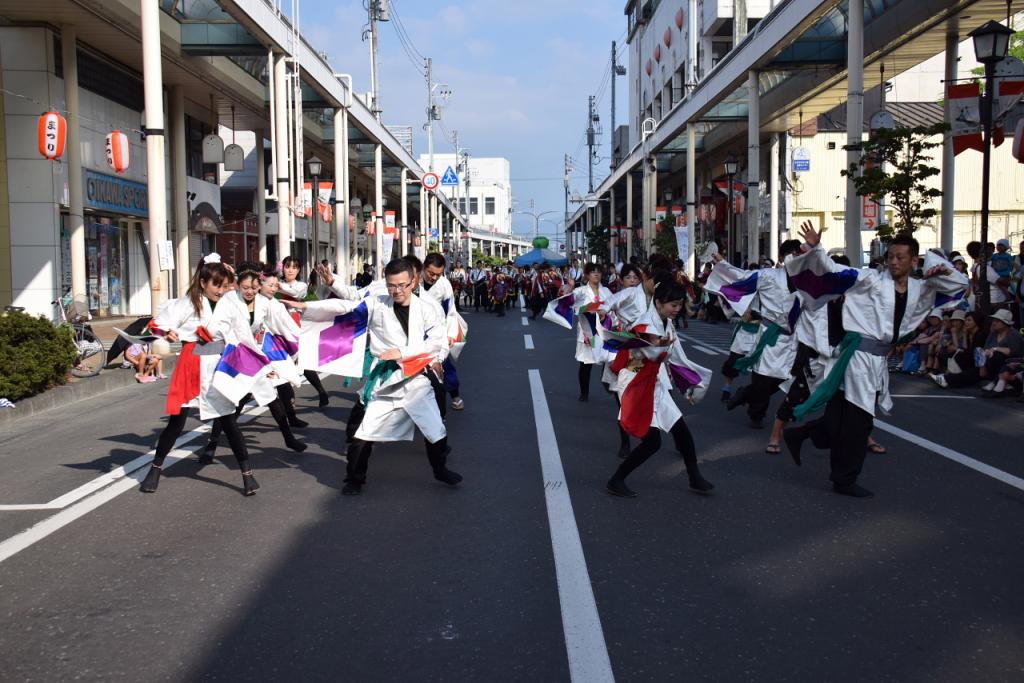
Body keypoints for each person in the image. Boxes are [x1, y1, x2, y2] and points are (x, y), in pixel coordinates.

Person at [782, 223, 968, 498]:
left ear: (914, 261)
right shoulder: (869, 279)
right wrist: (816, 248)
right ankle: (844, 479)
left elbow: (960, 285)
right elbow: (833, 271)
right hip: (857, 357)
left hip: (877, 358)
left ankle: (801, 435)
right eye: (890, 256)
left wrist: (940, 269)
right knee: (859, 423)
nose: (893, 262)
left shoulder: (923, 288)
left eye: (900, 257)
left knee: (840, 416)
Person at [293, 259, 461, 496]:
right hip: (386, 380)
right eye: (392, 285)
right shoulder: (376, 302)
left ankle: (440, 470)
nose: (396, 290)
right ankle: (354, 479)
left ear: (413, 282)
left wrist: (403, 352)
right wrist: (308, 307)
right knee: (363, 434)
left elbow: (436, 341)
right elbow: (346, 306)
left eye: (402, 285)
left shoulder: (428, 307)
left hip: (416, 378)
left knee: (436, 429)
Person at [138, 255, 263, 496]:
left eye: (224, 285)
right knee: (176, 423)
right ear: (203, 282)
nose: (221, 290)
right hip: (192, 363)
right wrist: (168, 332)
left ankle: (247, 475)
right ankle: (155, 468)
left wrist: (260, 363)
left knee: (229, 421)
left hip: (218, 365)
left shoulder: (230, 304)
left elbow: (243, 335)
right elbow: (159, 323)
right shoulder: (188, 302)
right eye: (216, 285)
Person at [605, 276, 714, 498]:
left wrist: (689, 385)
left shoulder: (667, 323)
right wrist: (659, 347)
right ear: (658, 303)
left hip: (653, 381)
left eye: (679, 304)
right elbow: (652, 353)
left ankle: (694, 477)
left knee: (681, 430)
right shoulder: (645, 325)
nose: (677, 309)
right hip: (635, 382)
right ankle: (616, 479)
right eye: (673, 305)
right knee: (652, 442)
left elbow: (677, 357)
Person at [201, 267, 307, 460]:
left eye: (254, 287)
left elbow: (281, 324)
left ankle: (289, 438)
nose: (249, 291)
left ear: (259, 286)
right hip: (235, 352)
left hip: (255, 353)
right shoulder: (229, 300)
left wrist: (298, 344)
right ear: (237, 285)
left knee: (270, 397)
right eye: (245, 287)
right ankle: (212, 444)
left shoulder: (265, 303)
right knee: (231, 399)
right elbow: (218, 326)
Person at [278, 255, 331, 407]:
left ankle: (321, 392)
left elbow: (295, 294)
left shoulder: (300, 285)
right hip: (277, 326)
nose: (290, 270)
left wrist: (276, 285)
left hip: (295, 325)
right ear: (283, 268)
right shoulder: (276, 283)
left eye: (294, 267)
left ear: (299, 270)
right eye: (288, 267)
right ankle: (289, 401)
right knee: (280, 363)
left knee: (302, 362)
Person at [422, 253, 467, 411]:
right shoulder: (413, 280)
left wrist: (450, 334)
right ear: (423, 267)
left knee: (445, 365)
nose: (434, 277)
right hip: (416, 332)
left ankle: (455, 395)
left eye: (438, 274)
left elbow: (451, 312)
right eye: (431, 273)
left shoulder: (444, 285)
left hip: (437, 332)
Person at [573, 263, 612, 401]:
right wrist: (588, 309)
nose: (596, 274)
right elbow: (575, 307)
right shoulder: (581, 291)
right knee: (586, 363)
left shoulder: (606, 291)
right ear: (587, 275)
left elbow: (613, 307)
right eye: (593, 272)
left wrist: (605, 313)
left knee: (609, 359)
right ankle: (584, 392)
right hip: (588, 331)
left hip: (604, 330)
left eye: (598, 272)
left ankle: (607, 380)